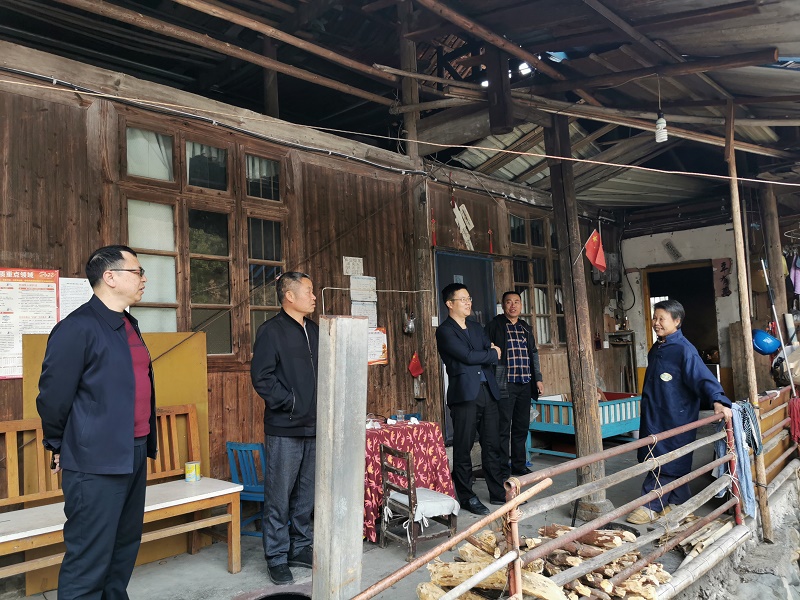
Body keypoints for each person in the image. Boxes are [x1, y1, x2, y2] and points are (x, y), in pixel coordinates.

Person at [36, 245, 156, 600]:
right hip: (95, 460)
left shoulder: (127, 324)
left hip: (134, 450)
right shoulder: (77, 328)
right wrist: (57, 444)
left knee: (123, 548)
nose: (144, 279)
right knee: (89, 557)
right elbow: (53, 397)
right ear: (110, 277)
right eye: (137, 271)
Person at [627, 299, 733, 525]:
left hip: (676, 415)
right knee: (654, 452)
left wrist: (718, 399)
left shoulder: (685, 350)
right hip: (655, 412)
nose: (656, 323)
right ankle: (678, 502)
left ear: (677, 321)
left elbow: (702, 378)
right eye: (654, 318)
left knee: (668, 456)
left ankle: (651, 505)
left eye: (661, 319)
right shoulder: (658, 347)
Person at [251, 272, 319, 585]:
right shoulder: (271, 331)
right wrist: (291, 402)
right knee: (279, 496)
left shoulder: (315, 330)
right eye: (308, 291)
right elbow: (262, 377)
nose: (314, 296)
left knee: (306, 495)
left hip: (315, 426)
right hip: (285, 427)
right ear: (289, 296)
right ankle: (276, 557)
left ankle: (300, 547)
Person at [436, 283, 505, 514]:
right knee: (463, 447)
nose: (468, 303)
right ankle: (467, 497)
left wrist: (485, 354)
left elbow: (485, 354)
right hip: (465, 395)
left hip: (488, 392)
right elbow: (467, 356)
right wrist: (489, 353)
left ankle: (498, 492)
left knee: (492, 445)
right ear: (450, 303)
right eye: (463, 299)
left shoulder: (476, 327)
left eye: (469, 299)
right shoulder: (445, 331)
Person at [485, 291, 544, 479]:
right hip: (504, 383)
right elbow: (486, 351)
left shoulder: (525, 327)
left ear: (521, 305)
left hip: (525, 383)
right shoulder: (494, 325)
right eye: (509, 302)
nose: (513, 305)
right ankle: (503, 468)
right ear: (503, 306)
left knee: (521, 426)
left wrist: (538, 378)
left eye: (516, 302)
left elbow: (533, 354)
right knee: (503, 427)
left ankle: (519, 466)